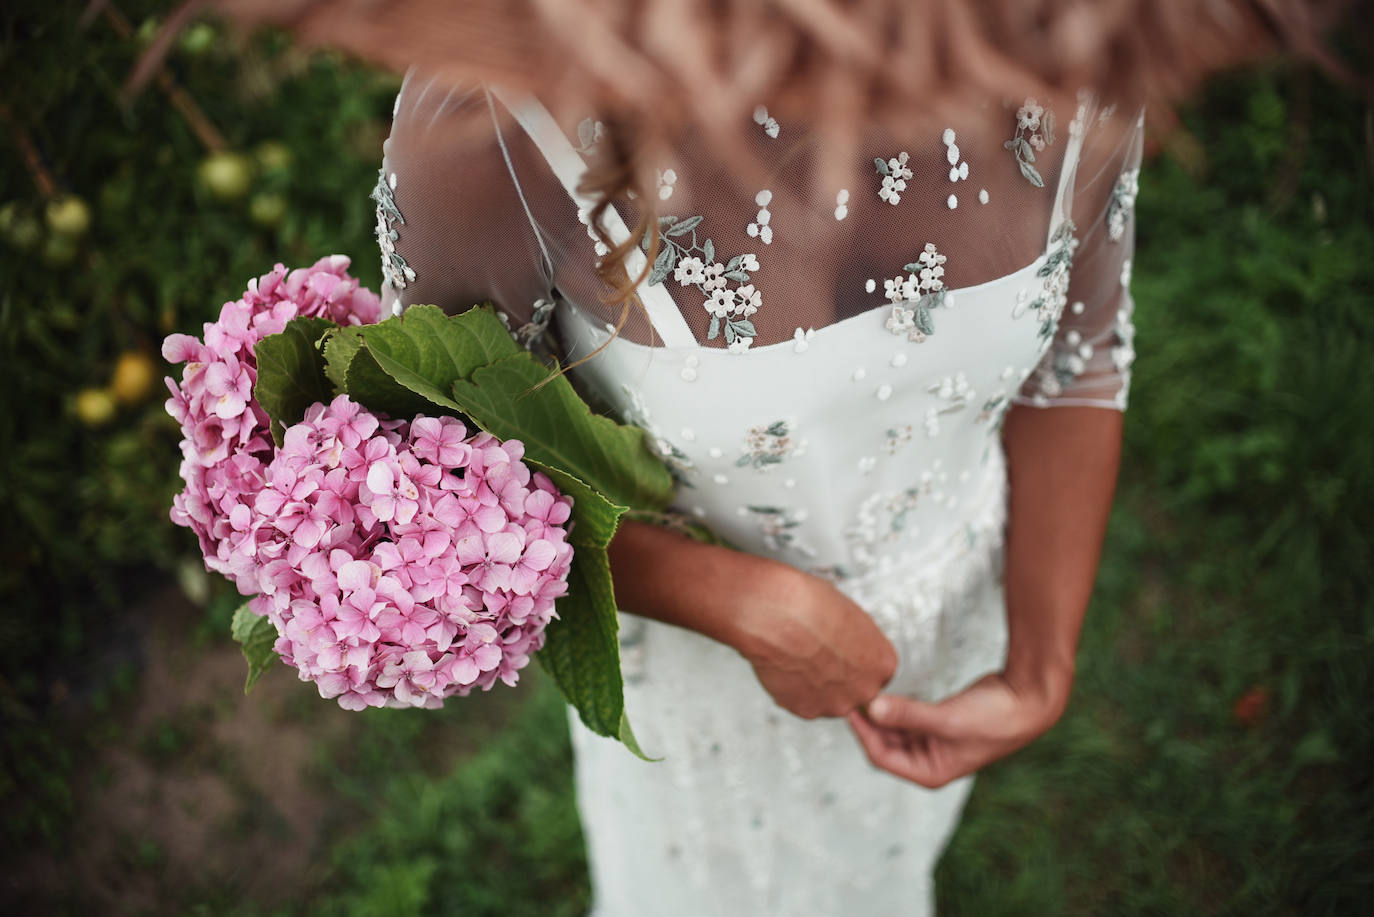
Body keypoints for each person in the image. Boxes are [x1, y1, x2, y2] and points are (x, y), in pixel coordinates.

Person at [372, 61, 1142, 915]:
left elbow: (1080, 358)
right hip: (703, 682)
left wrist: (1040, 664)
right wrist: (732, 601)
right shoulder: (496, 114)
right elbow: (439, 475)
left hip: (958, 609)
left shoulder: (1075, 37)